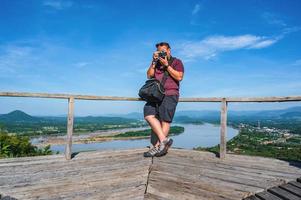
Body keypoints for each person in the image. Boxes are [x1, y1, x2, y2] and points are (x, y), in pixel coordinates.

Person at [143, 42, 184, 157]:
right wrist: (153, 62)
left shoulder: (177, 62)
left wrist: (167, 65)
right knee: (148, 114)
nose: (161, 53)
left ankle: (156, 148)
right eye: (159, 51)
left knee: (165, 121)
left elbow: (179, 77)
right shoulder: (156, 63)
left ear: (169, 50)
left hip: (170, 94)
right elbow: (149, 75)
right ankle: (164, 140)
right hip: (155, 94)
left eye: (163, 51)